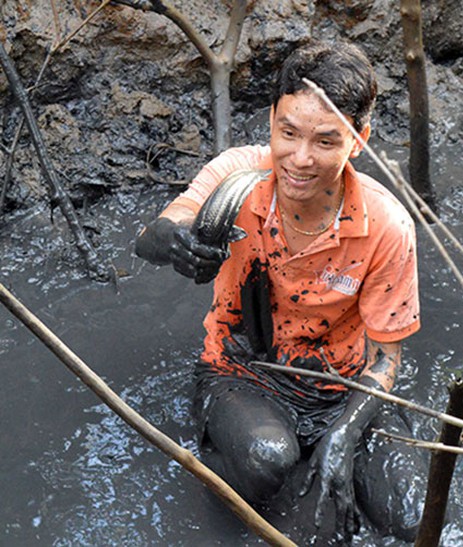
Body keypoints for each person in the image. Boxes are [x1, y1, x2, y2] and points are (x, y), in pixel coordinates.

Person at [135, 39, 425, 543]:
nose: (300, 159)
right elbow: (148, 240)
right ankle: (228, 468)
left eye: (326, 142)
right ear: (271, 118)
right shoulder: (237, 178)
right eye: (287, 133)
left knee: (412, 515)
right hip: (244, 370)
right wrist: (174, 242)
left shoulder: (386, 225)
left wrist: (344, 434)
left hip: (343, 388)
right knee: (268, 461)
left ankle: (324, 456)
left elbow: (385, 360)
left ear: (360, 138)